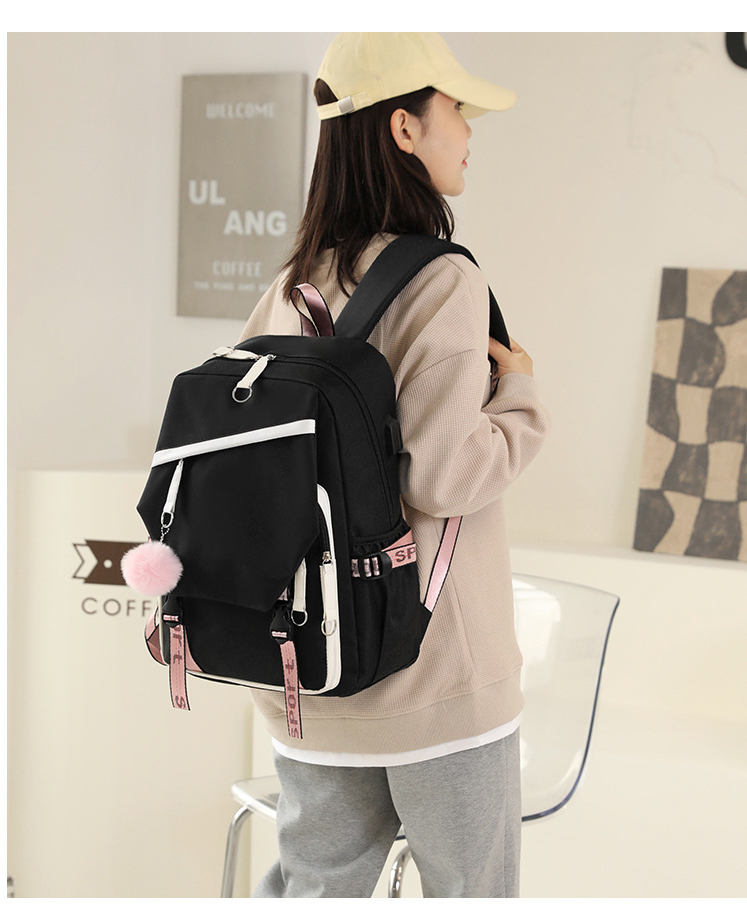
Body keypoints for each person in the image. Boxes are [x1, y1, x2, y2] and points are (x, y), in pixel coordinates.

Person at [237, 32, 550, 899]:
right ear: (404, 129)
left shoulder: (293, 283)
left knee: (318, 889)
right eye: (456, 110)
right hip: (435, 678)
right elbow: (444, 478)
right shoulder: (441, 281)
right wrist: (521, 396)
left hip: (312, 671)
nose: (470, 132)